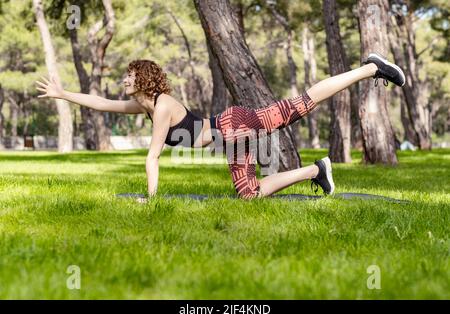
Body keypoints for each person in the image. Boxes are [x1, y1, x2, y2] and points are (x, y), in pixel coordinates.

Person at [35, 53, 405, 200]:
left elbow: (153, 157)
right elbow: (102, 103)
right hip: (231, 132)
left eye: (129, 76)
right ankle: (317, 170)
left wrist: (150, 201)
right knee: (297, 109)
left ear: (144, 78)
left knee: (301, 105)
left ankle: (371, 68)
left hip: (233, 127)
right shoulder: (144, 105)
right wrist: (63, 93)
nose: (124, 81)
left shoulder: (162, 107)